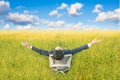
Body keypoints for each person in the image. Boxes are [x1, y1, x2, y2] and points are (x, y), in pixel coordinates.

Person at [21, 39, 100, 60]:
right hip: (66, 67)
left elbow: (40, 51)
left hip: (54, 67)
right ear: (63, 51)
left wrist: (29, 46)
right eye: (59, 47)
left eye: (57, 48)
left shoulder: (50, 53)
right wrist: (91, 43)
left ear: (54, 51)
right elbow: (79, 49)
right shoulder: (68, 52)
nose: (58, 46)